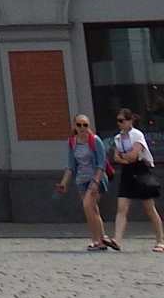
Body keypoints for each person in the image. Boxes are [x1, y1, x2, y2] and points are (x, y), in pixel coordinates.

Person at [108, 108, 163, 253]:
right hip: (127, 173)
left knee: (149, 208)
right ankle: (117, 240)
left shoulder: (137, 135)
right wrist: (125, 158)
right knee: (122, 208)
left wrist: (124, 157)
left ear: (130, 121)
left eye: (122, 121)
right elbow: (115, 157)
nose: (119, 123)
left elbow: (133, 156)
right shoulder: (118, 138)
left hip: (140, 171)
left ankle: (160, 240)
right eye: (118, 121)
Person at [59, 111, 112, 251]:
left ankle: (100, 239)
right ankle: (98, 239)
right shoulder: (72, 142)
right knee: (91, 210)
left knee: (88, 205)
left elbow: (101, 163)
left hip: (95, 179)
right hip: (81, 180)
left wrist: (95, 181)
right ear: (74, 126)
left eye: (85, 125)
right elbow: (71, 165)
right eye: (79, 125)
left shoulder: (95, 140)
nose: (82, 128)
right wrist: (64, 182)